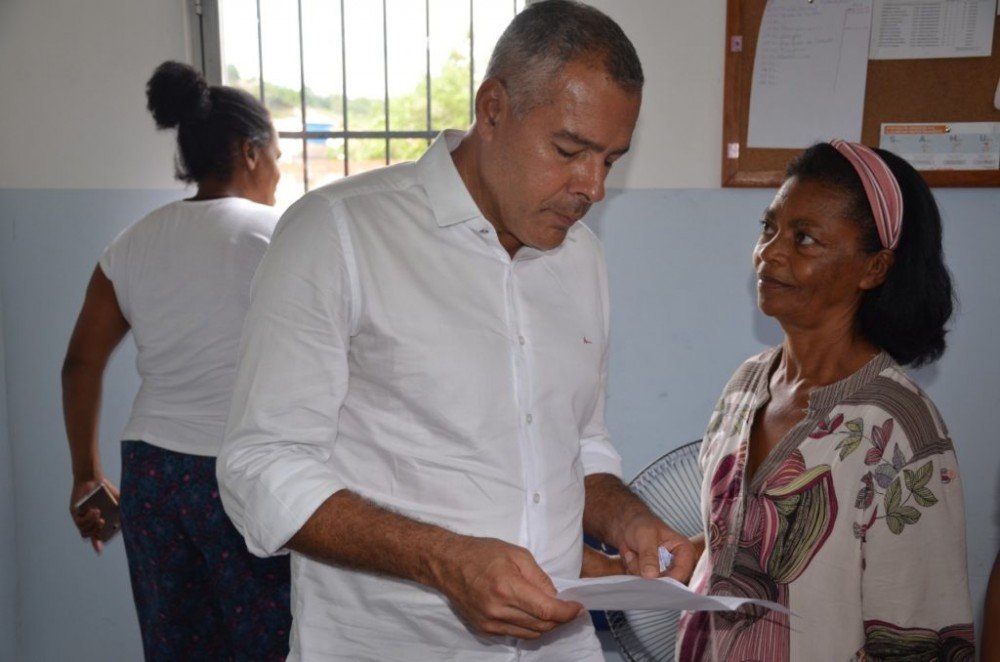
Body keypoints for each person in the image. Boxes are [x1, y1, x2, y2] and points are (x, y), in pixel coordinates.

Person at [217, 2, 695, 660]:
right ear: (493, 108)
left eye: (610, 160)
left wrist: (629, 519)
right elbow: (259, 466)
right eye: (569, 150)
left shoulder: (581, 259)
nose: (592, 187)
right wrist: (444, 560)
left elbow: (577, 442)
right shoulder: (339, 233)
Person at [676, 141, 976, 660]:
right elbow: (741, 547)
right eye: (768, 228)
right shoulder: (745, 387)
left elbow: (921, 638)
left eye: (805, 239)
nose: (770, 253)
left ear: (874, 269)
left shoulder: (899, 433)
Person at [62, 61, 291, 661]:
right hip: (243, 471)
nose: (278, 171)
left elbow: (79, 365)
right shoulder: (281, 234)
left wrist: (87, 477)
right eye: (276, 155)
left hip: (153, 476)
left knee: (176, 647)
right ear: (249, 151)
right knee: (273, 643)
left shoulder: (133, 242)